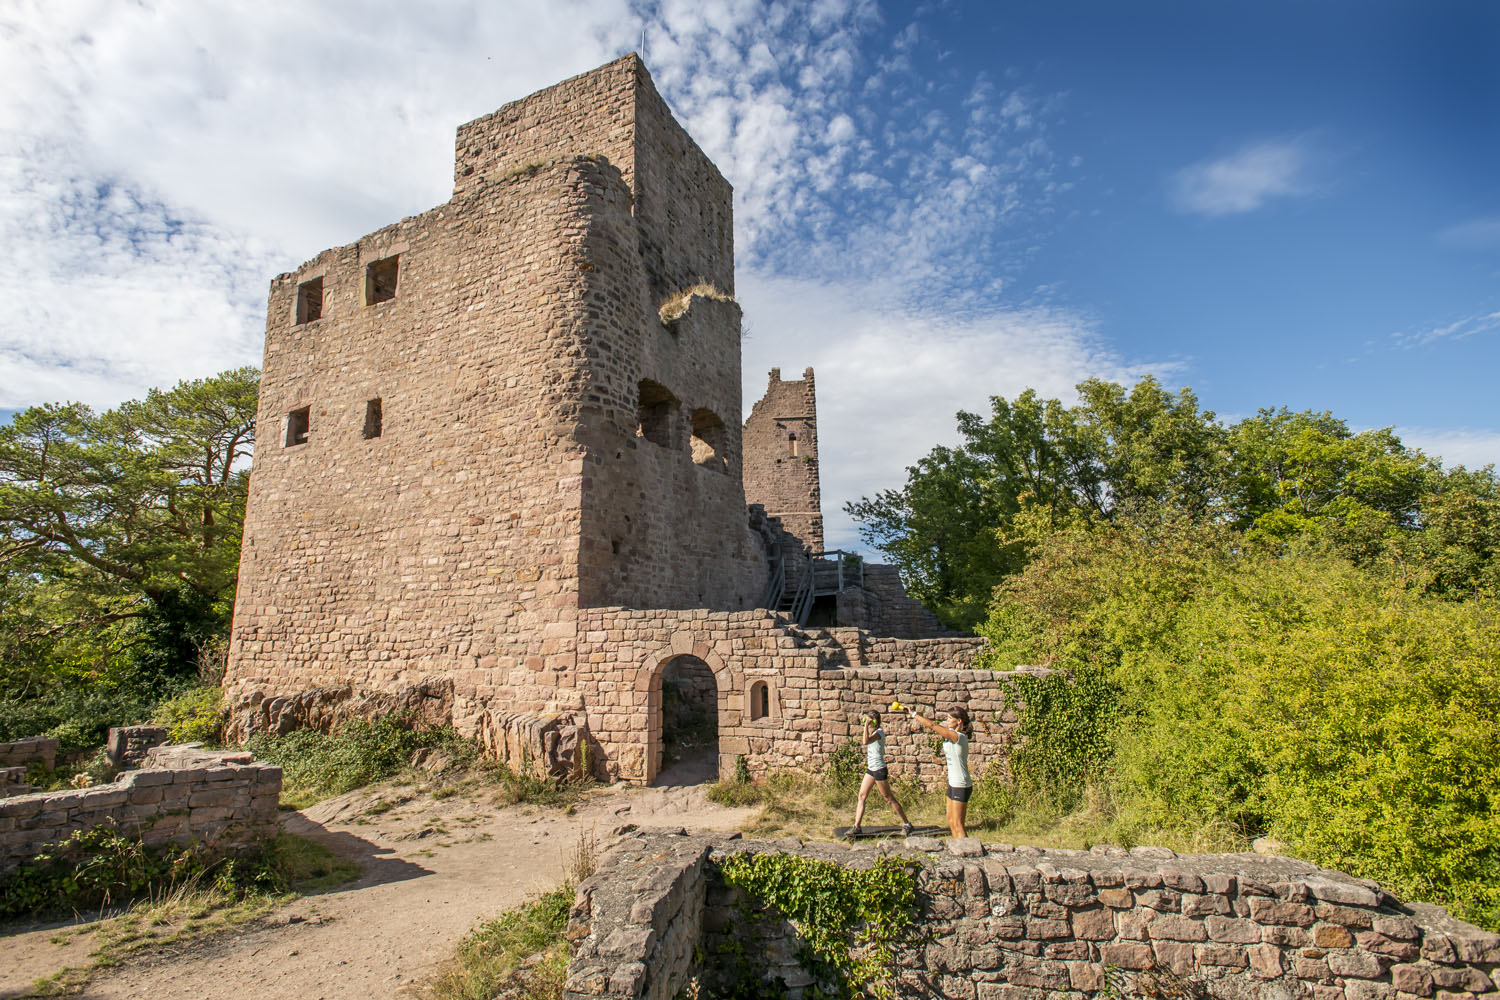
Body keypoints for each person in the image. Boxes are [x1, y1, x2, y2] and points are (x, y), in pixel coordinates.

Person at [910, 705, 973, 838]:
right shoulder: (950, 735)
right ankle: (959, 850)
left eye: (950, 718)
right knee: (951, 822)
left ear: (959, 721)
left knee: (958, 825)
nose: (947, 721)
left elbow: (933, 725)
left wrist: (914, 715)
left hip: (961, 784)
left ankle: (968, 854)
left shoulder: (958, 736)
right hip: (953, 784)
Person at [850, 711, 914, 836]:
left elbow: (865, 741)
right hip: (871, 769)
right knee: (862, 796)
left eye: (869, 720)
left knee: (888, 798)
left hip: (879, 769)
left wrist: (865, 726)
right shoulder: (874, 732)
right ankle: (856, 826)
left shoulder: (879, 733)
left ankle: (907, 824)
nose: (866, 722)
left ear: (874, 721)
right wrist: (867, 725)